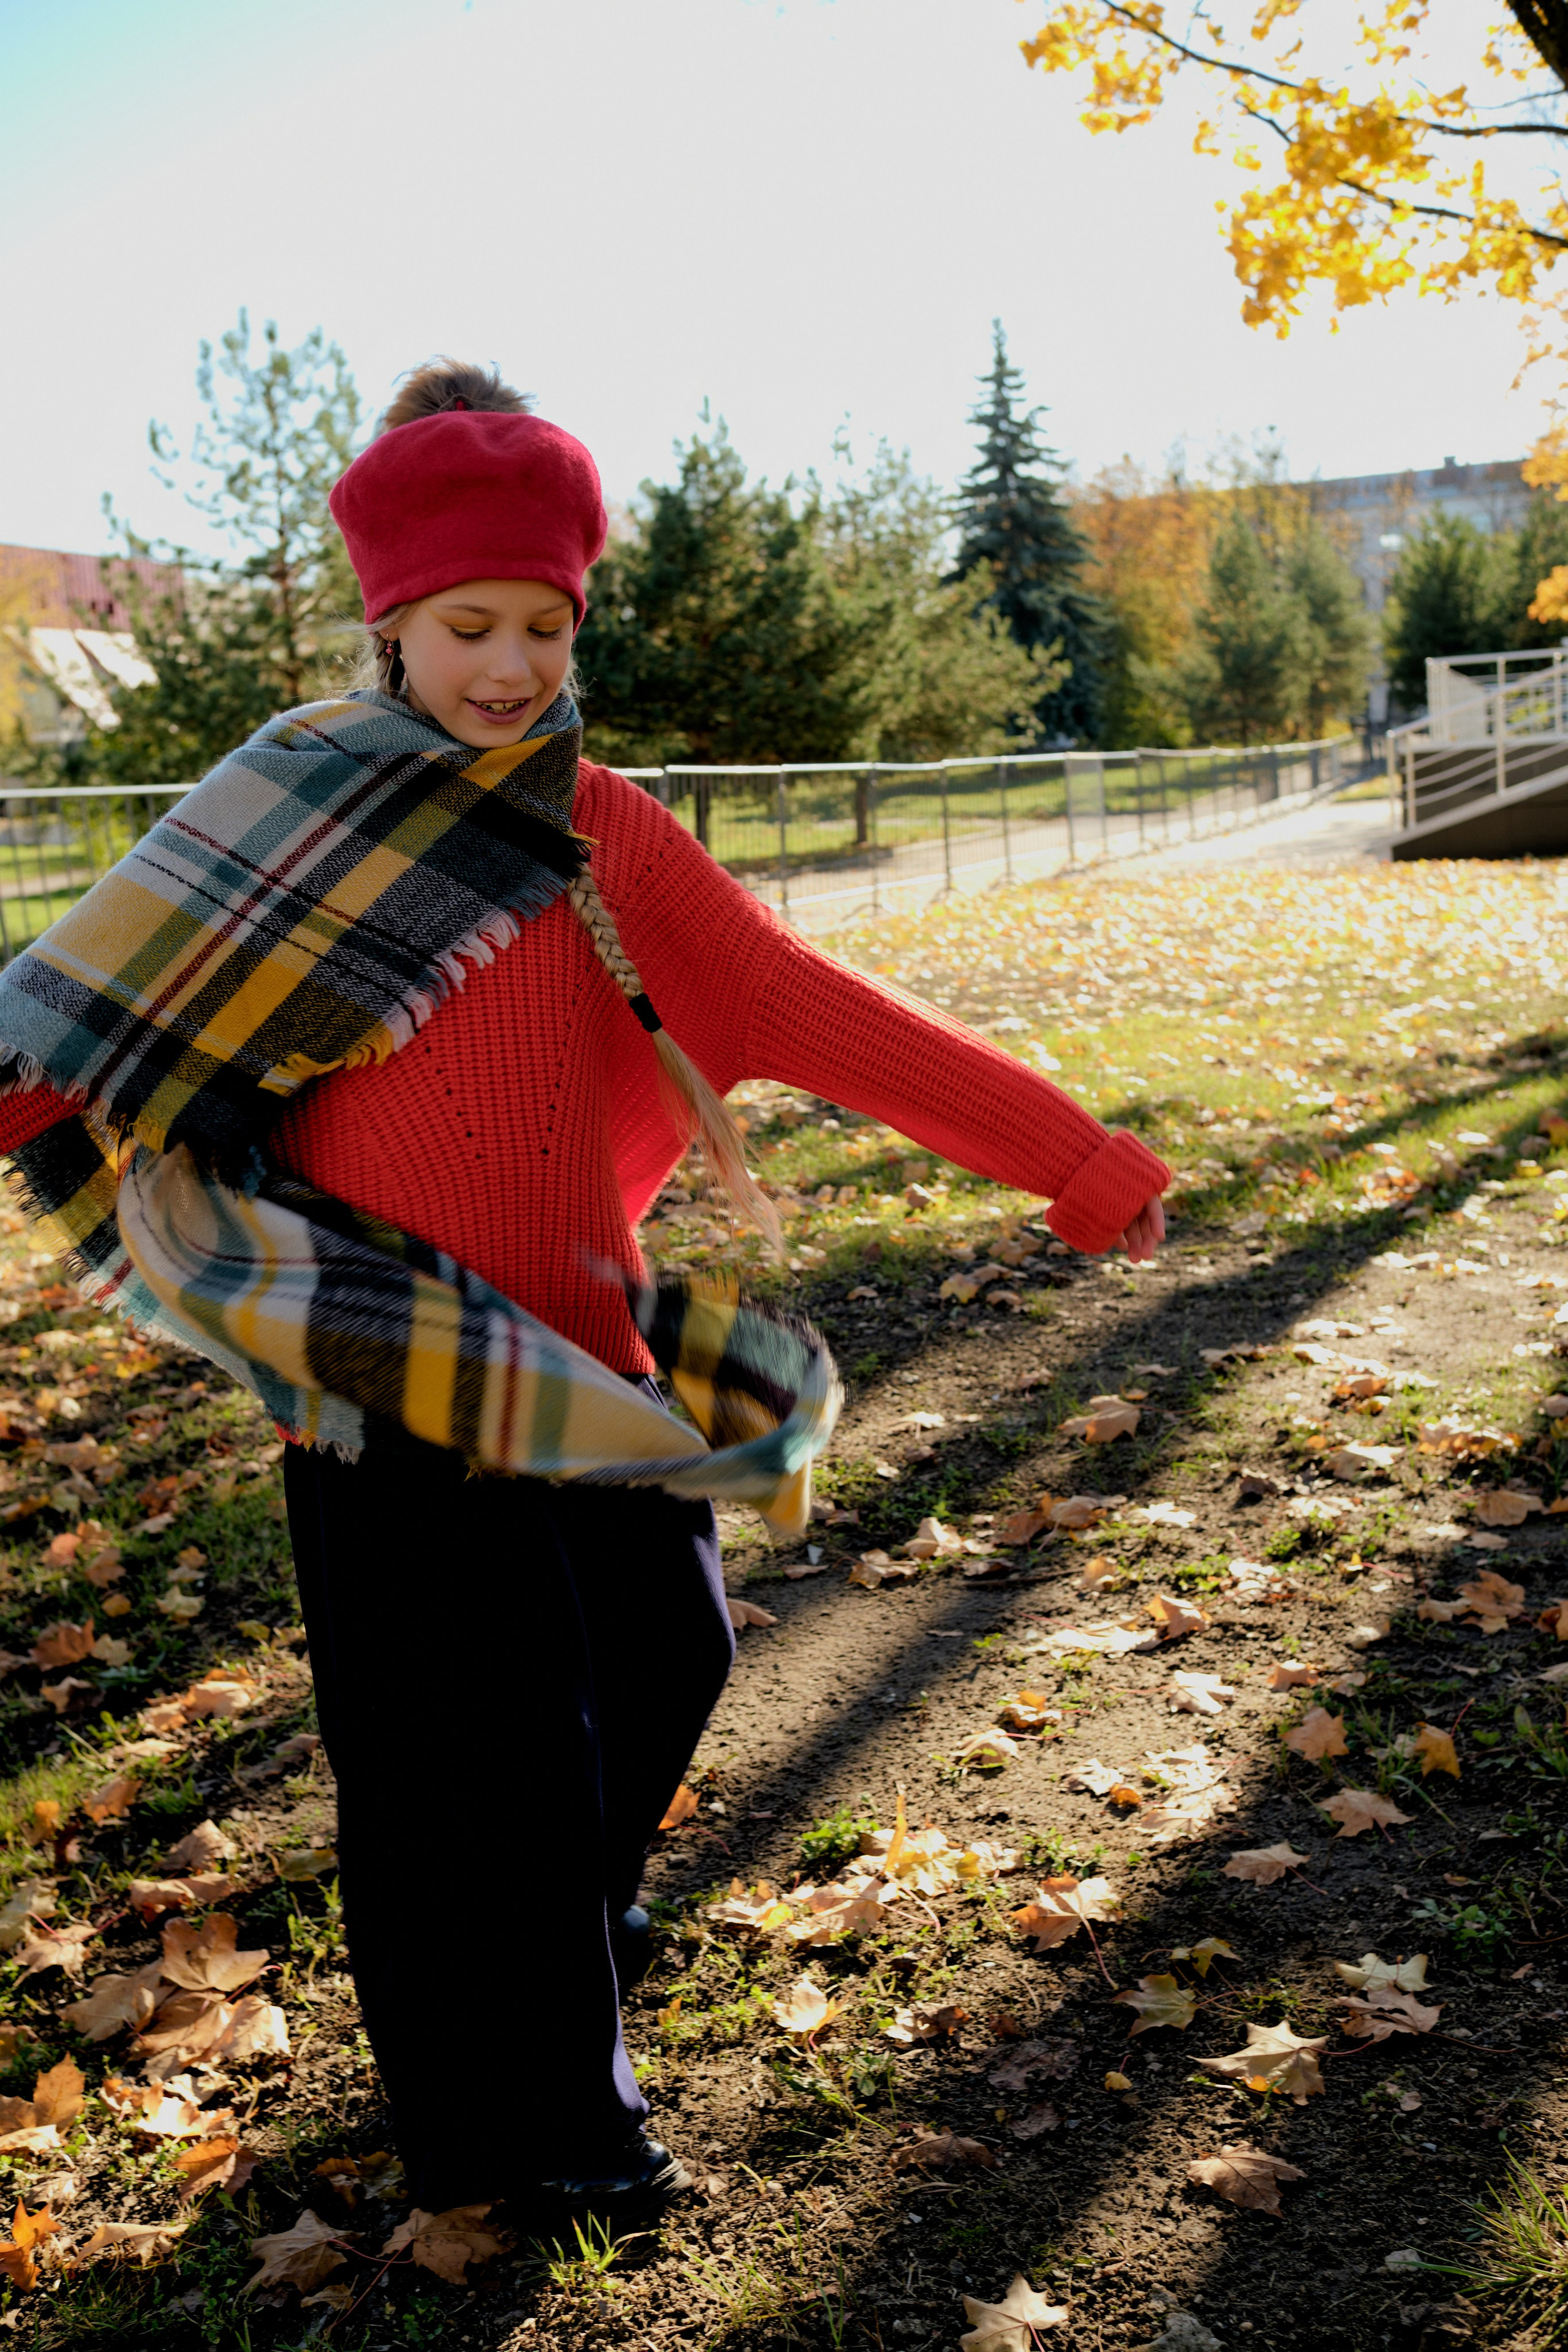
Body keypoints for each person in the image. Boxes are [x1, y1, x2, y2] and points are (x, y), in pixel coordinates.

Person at [0, 359, 1169, 2220]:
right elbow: (71, 1024)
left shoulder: (596, 819)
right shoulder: (286, 808)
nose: (513, 664)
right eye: (470, 626)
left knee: (667, 1654)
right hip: (380, 1375)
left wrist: (1077, 1159)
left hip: (584, 1362)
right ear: (388, 623)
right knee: (467, 1762)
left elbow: (797, 1008)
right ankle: (525, 2119)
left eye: (546, 624)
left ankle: (548, 1947)